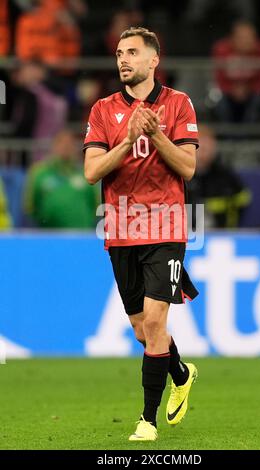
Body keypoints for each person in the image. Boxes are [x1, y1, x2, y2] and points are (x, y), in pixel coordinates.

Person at [83, 27, 199, 442]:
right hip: (120, 226)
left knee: (155, 319)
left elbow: (186, 167)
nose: (123, 60)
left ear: (154, 60)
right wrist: (129, 138)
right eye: (118, 53)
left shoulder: (178, 104)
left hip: (166, 226)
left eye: (132, 52)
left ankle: (146, 420)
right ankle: (181, 373)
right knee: (141, 330)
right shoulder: (102, 110)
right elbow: (93, 171)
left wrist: (155, 134)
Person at [24, 129, 99, 228]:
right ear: (54, 147)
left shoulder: (87, 173)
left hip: (81, 235)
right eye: (61, 143)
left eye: (69, 144)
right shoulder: (39, 173)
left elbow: (96, 204)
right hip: (49, 236)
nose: (65, 147)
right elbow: (30, 207)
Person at [188, 125, 251, 228]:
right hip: (187, 234)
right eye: (200, 147)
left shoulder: (226, 176)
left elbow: (242, 201)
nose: (203, 153)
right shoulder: (180, 175)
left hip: (220, 232)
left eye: (207, 148)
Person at [212, 21, 260, 123]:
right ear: (232, 38)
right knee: (220, 105)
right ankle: (228, 137)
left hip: (253, 92)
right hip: (228, 92)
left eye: (249, 37)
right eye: (241, 37)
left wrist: (248, 89)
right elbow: (218, 76)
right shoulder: (221, 49)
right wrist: (231, 89)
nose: (245, 41)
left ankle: (250, 136)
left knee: (258, 103)